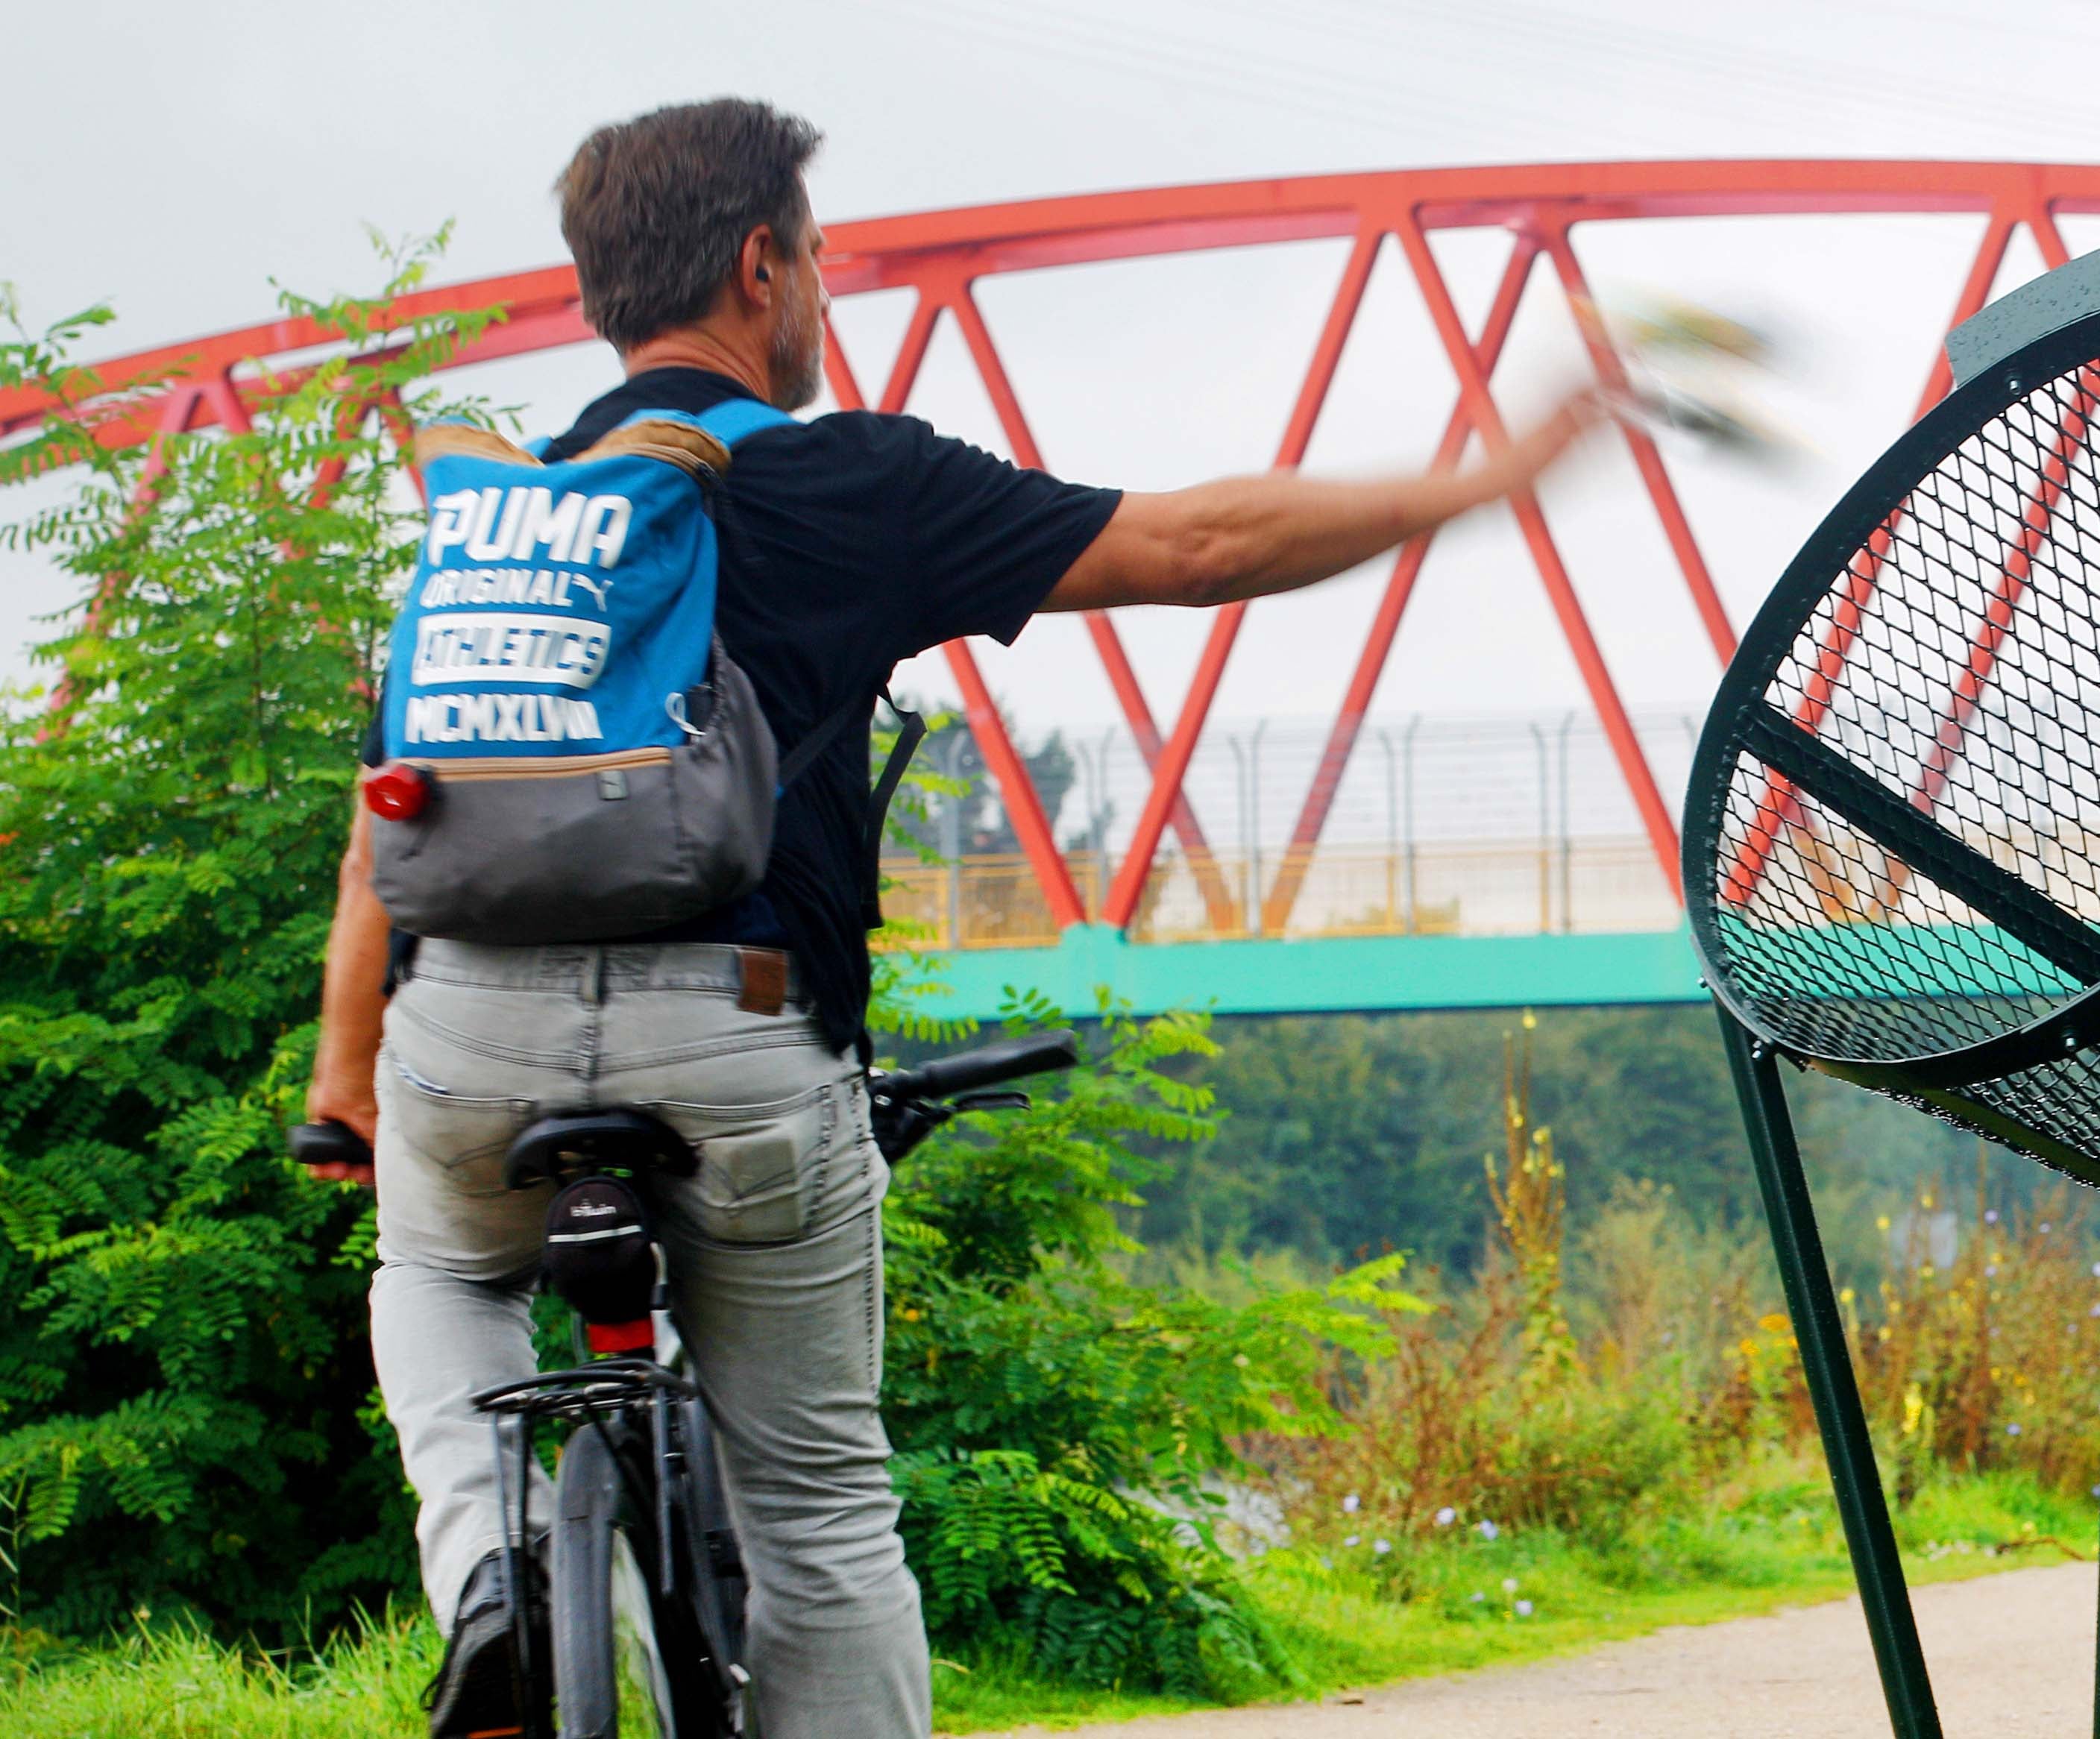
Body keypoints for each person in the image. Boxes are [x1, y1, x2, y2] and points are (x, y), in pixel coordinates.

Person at [303, 97, 1599, 1739]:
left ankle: (499, 1571)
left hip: (467, 1037)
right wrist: (1476, 480)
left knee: (430, 1272)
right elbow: (1194, 545)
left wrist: (340, 1092)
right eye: (823, 262)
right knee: (823, 1514)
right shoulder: (856, 477)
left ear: (601, 288)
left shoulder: (495, 527)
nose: (825, 298)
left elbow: (379, 839)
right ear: (764, 266)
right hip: (743, 1028)